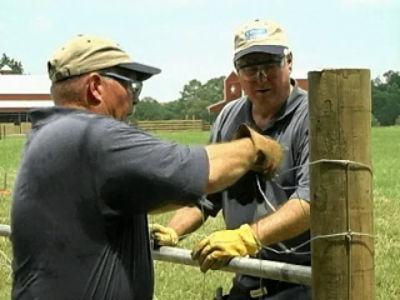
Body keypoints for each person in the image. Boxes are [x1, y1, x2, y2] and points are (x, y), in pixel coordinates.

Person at [10, 34, 284, 300]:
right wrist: (256, 148)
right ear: (95, 87)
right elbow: (196, 167)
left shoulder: (49, 134)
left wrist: (175, 229)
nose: (135, 100)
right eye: (130, 86)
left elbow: (139, 191)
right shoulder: (94, 136)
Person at [151, 19, 311, 299]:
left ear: (289, 62)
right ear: (237, 71)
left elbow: (312, 202)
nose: (260, 76)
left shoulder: (312, 115)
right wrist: (173, 231)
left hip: (300, 281)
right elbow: (207, 195)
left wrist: (247, 237)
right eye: (250, 66)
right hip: (247, 280)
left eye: (270, 63)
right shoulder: (229, 116)